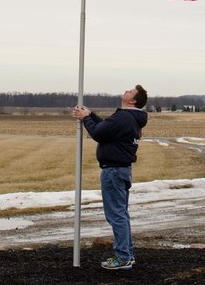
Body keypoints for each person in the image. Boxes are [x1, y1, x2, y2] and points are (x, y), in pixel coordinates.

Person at [72, 84, 148, 270]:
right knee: (121, 214)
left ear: (133, 100)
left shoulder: (124, 117)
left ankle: (122, 257)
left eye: (130, 91)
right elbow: (107, 127)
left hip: (114, 171)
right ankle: (127, 255)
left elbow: (98, 133)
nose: (126, 90)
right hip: (121, 170)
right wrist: (90, 115)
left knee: (116, 215)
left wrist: (85, 119)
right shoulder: (130, 118)